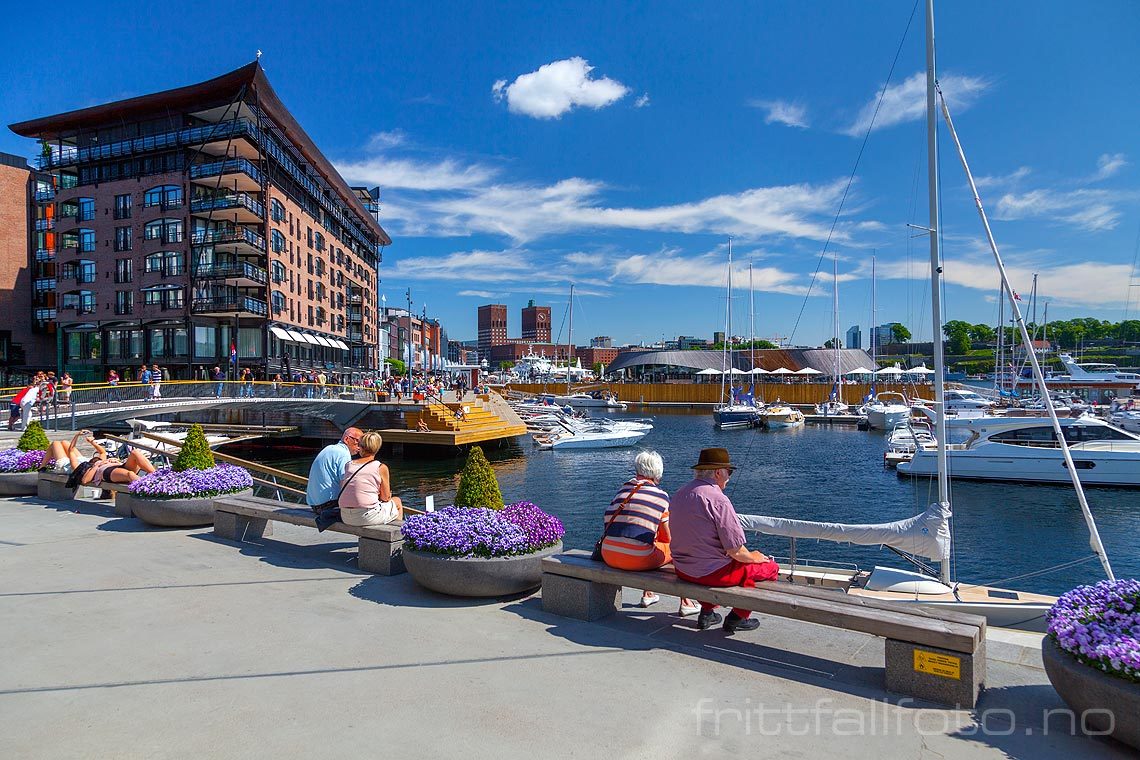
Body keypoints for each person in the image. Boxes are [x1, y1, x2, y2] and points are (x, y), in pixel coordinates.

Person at [669, 447, 779, 634]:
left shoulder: (680, 493)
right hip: (712, 573)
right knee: (770, 569)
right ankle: (737, 617)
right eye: (729, 472)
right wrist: (757, 557)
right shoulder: (719, 500)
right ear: (718, 472)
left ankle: (707, 612)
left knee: (720, 564)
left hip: (683, 569)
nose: (729, 476)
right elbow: (736, 551)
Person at [601, 451, 700, 615]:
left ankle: (648, 594)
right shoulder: (660, 497)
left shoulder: (622, 491)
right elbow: (669, 539)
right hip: (636, 558)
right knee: (673, 549)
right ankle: (686, 601)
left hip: (608, 554)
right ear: (658, 473)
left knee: (647, 539)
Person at [337, 432, 403, 526]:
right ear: (377, 448)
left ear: (360, 447)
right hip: (366, 517)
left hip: (345, 516)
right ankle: (397, 535)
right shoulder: (380, 467)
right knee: (397, 501)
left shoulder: (349, 465)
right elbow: (386, 498)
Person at [51, 430, 156, 486]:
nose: (97, 458)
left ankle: (157, 476)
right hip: (107, 472)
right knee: (130, 474)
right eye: (95, 459)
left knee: (135, 452)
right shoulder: (88, 467)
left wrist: (92, 442)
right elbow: (85, 481)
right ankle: (148, 488)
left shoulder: (102, 459)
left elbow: (102, 451)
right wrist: (77, 435)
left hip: (118, 466)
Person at [306, 427, 362, 511]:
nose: (360, 447)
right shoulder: (343, 454)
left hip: (315, 505)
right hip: (328, 506)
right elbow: (345, 483)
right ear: (347, 439)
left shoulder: (329, 448)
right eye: (358, 442)